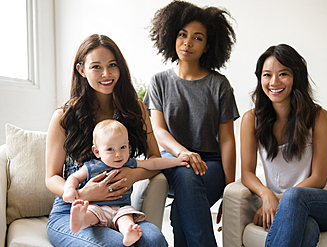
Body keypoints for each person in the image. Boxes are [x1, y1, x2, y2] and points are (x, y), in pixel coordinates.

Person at [45, 34, 168, 247]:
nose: (106, 74)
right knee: (114, 245)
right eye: (96, 67)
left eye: (112, 65)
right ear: (81, 70)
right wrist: (82, 193)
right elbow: (51, 177)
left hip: (119, 210)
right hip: (72, 212)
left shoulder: (135, 109)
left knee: (154, 239)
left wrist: (132, 175)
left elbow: (154, 158)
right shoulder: (64, 117)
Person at [240, 44, 327, 247]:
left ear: (296, 77)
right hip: (290, 208)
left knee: (294, 197)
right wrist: (266, 195)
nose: (274, 82)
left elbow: (319, 178)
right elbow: (247, 173)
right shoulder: (251, 119)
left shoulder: (318, 117)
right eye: (267, 75)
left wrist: (279, 199)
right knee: (307, 228)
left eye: (283, 74)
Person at [144, 1, 239, 246]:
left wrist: (230, 191)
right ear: (171, 37)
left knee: (179, 212)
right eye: (182, 35)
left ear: (208, 45)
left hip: (211, 164)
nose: (188, 42)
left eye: (197, 38)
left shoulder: (219, 85)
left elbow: (227, 139)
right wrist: (183, 153)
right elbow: (159, 130)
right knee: (186, 172)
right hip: (173, 159)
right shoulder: (159, 82)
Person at [64, 119, 193, 246]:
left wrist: (176, 161)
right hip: (97, 207)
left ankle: (128, 234)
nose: (118, 154)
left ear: (128, 146)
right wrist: (70, 189)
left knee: (126, 219)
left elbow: (153, 163)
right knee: (91, 215)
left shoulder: (129, 163)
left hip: (120, 208)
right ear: (97, 152)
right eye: (110, 149)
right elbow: (73, 178)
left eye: (123, 147)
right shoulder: (92, 166)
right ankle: (79, 220)